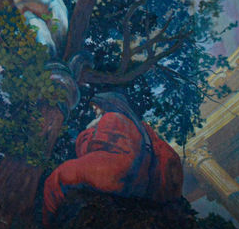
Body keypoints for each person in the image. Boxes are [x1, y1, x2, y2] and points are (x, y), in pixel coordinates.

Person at [42, 92, 183, 222]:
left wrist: (88, 130)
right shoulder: (140, 125)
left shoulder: (111, 117)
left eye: (96, 106)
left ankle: (48, 223)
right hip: (138, 177)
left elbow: (89, 149)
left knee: (58, 176)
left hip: (115, 171)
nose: (95, 110)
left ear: (107, 104)